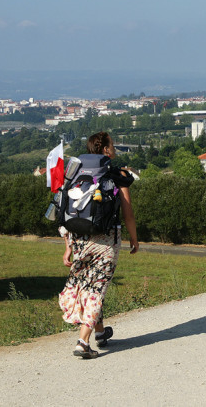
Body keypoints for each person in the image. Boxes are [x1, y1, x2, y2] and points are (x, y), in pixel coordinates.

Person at [59, 132, 139, 358]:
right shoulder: (117, 175)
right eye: (112, 145)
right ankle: (83, 341)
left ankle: (101, 332)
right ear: (105, 149)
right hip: (105, 242)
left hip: (79, 240)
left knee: (87, 285)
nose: (114, 149)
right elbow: (128, 212)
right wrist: (134, 237)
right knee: (97, 288)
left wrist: (67, 245)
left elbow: (65, 208)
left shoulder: (75, 173)